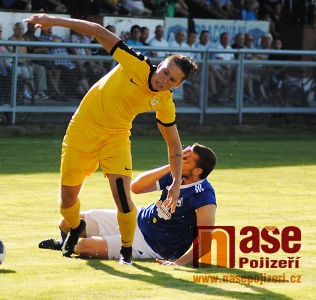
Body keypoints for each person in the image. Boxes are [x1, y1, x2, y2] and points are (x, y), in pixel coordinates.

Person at [24, 14, 198, 265]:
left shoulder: (164, 101)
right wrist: (53, 20)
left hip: (115, 139)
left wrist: (175, 184)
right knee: (66, 203)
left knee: (123, 198)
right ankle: (75, 227)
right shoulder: (135, 63)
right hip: (81, 132)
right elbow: (97, 30)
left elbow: (174, 145)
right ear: (160, 64)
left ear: (178, 85)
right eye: (165, 72)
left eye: (172, 80)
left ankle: (126, 252)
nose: (165, 79)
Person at [40, 143, 217, 266]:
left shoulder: (204, 196)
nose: (181, 159)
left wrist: (177, 263)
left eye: (187, 159)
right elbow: (136, 187)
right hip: (138, 218)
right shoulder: (176, 174)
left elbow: (205, 242)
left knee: (84, 247)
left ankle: (71, 247)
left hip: (152, 244)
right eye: (183, 155)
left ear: (198, 170)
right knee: (67, 223)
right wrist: (172, 165)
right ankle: (64, 245)